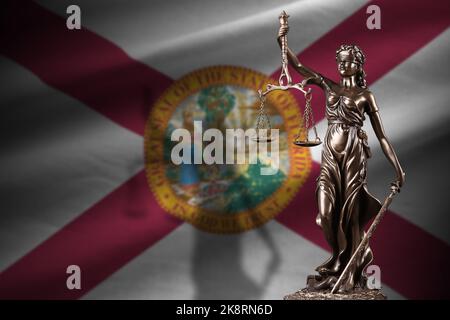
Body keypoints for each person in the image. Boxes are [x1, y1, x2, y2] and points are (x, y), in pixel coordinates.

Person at [277, 24, 405, 292]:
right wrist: (283, 40)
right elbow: (299, 66)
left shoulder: (365, 96)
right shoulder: (328, 85)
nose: (343, 65)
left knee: (351, 213)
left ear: (359, 65)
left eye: (348, 62)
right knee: (326, 213)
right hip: (330, 155)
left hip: (353, 155)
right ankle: (339, 260)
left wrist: (398, 169)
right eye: (340, 61)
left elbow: (381, 136)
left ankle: (350, 267)